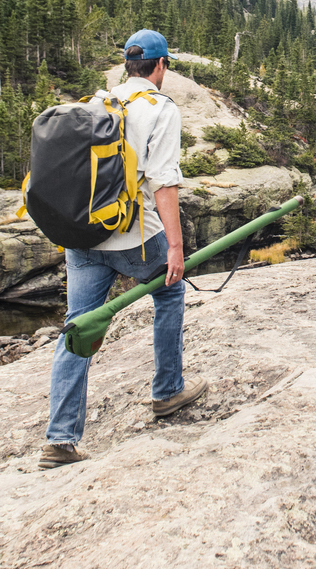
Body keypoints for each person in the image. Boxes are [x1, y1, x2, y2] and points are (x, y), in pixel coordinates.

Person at [40, 29, 206, 469]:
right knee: (169, 291)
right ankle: (168, 392)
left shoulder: (99, 103)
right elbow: (163, 183)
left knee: (77, 328)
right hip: (135, 237)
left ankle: (60, 440)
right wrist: (175, 247)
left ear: (127, 65)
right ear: (160, 66)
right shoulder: (159, 108)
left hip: (83, 237)